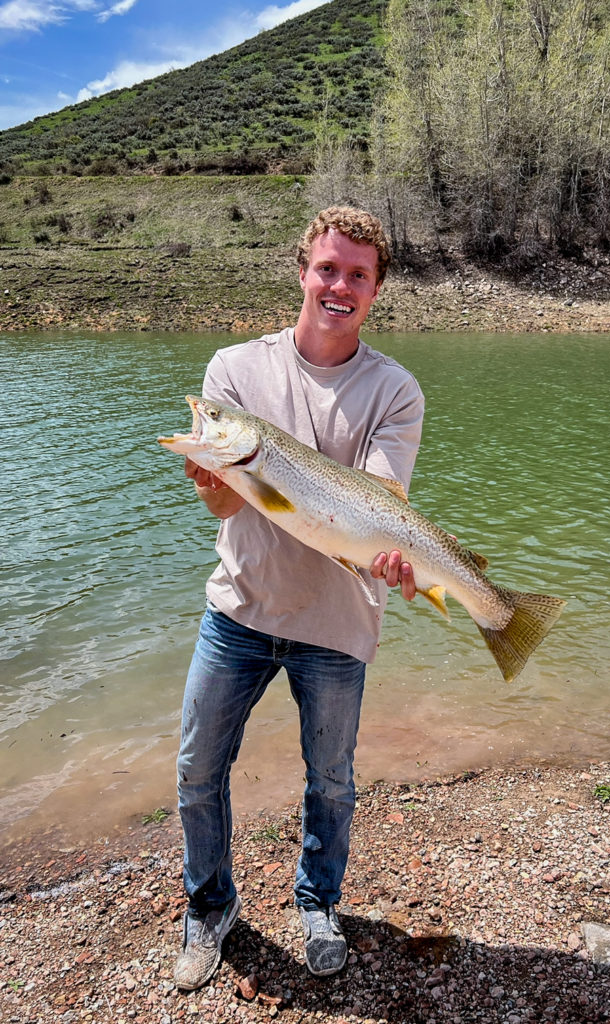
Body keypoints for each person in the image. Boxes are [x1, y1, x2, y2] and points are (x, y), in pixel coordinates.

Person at [173, 206, 424, 990]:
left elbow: (381, 502)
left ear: (376, 290)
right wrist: (219, 478)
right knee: (195, 768)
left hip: (338, 620)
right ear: (303, 270)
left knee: (332, 780)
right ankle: (209, 907)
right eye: (328, 268)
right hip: (240, 609)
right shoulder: (234, 373)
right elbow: (224, 508)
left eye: (357, 274)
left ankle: (318, 903)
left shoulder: (395, 389)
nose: (339, 285)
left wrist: (396, 557)